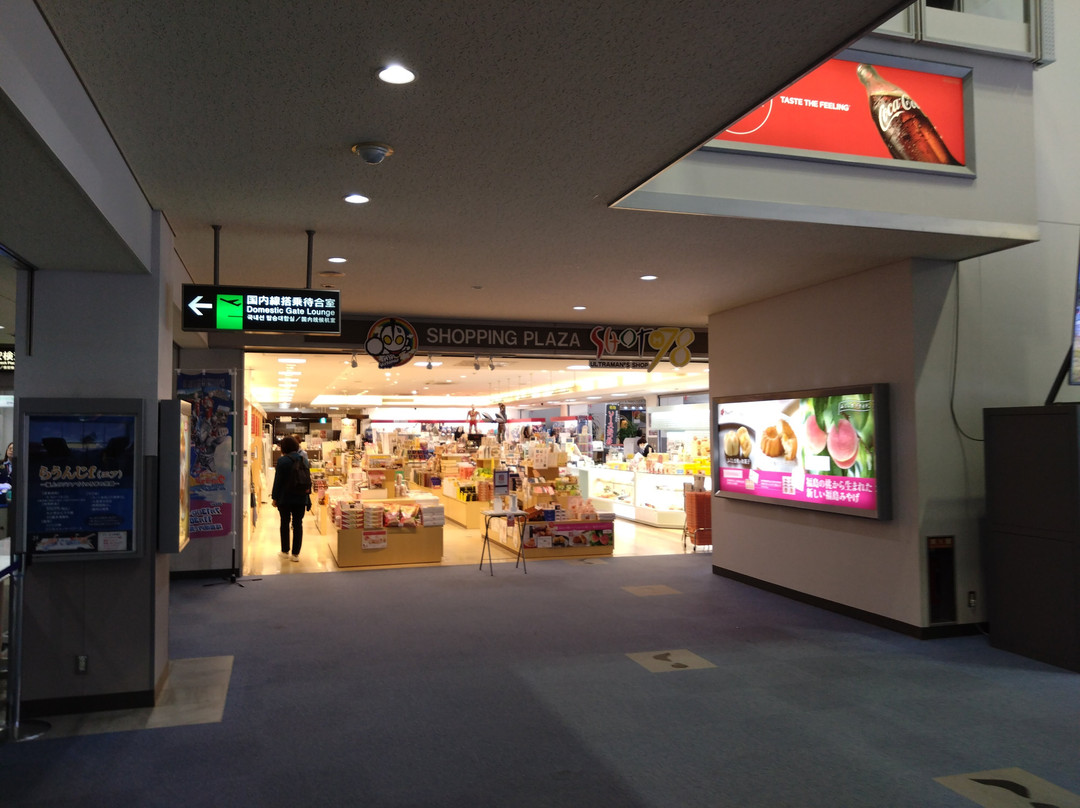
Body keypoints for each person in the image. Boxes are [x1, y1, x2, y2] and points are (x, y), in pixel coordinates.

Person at [272, 436, 310, 562]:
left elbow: (278, 481)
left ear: (284, 448)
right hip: (300, 498)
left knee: (284, 523)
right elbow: (307, 480)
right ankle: (295, 554)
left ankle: (285, 551)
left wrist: (274, 497)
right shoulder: (304, 460)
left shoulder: (282, 461)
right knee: (298, 524)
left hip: (285, 498)